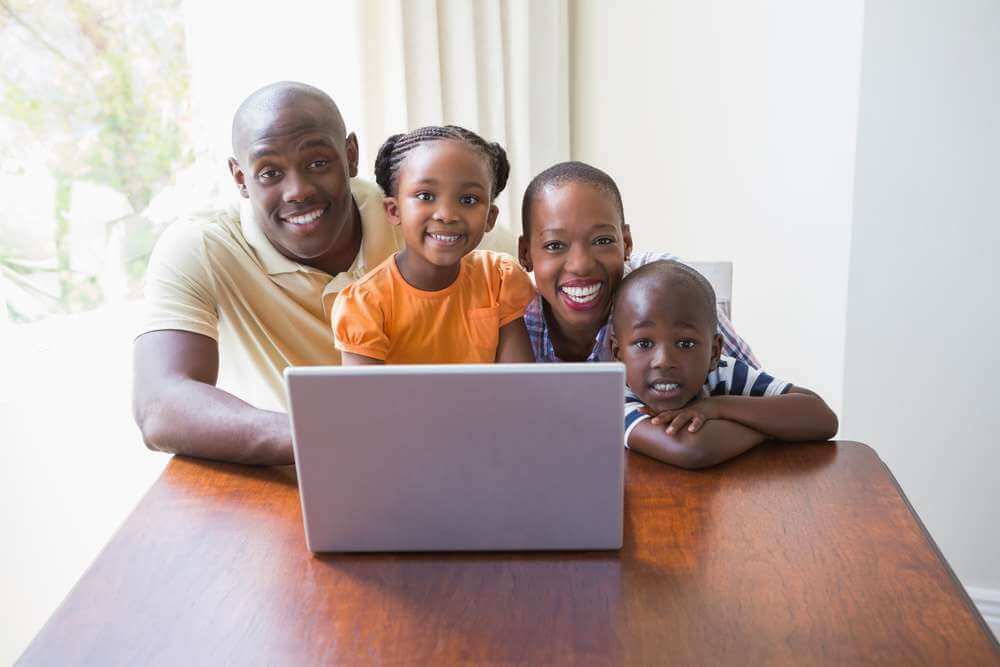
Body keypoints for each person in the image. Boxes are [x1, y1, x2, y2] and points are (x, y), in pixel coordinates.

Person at [132, 81, 403, 465]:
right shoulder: (203, 246)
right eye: (270, 172)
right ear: (240, 178)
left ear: (351, 155)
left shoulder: (419, 220)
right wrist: (331, 440)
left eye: (318, 163)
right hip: (283, 480)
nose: (298, 190)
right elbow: (159, 404)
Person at [517, 161, 758, 366]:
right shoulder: (508, 311)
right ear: (525, 253)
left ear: (627, 243)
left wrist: (712, 408)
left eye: (602, 240)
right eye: (554, 245)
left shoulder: (668, 288)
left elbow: (764, 396)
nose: (580, 265)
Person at [332, 126, 535, 365]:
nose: (447, 215)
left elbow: (517, 391)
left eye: (468, 199)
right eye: (426, 196)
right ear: (394, 210)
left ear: (490, 218)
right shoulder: (366, 304)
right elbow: (367, 401)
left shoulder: (499, 280)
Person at [612, 260, 838, 468]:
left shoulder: (723, 373)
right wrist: (775, 428)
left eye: (685, 343)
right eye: (644, 343)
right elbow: (693, 448)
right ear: (617, 353)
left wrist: (717, 407)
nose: (664, 361)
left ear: (714, 352)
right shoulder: (615, 401)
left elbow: (821, 417)